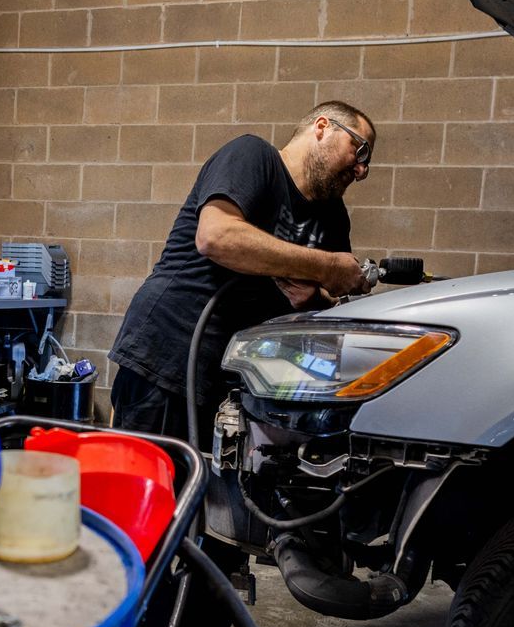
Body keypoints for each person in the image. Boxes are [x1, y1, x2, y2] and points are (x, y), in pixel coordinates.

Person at [108, 101, 375, 444]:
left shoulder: (333, 218)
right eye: (360, 149)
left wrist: (311, 300)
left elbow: (321, 309)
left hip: (242, 385)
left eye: (368, 163)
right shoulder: (253, 156)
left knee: (212, 494)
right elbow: (216, 236)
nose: (362, 170)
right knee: (151, 486)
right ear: (322, 128)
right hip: (170, 359)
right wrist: (326, 265)